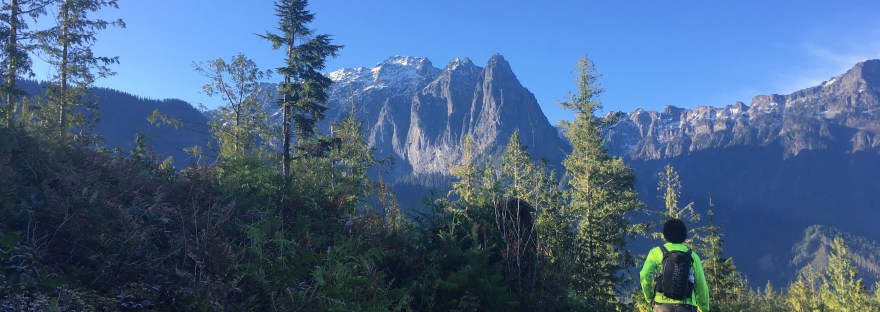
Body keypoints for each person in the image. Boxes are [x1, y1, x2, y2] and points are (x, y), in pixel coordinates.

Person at [639, 218, 710, 312]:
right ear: (684, 235)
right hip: (686, 306)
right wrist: (704, 308)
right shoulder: (693, 256)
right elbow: (701, 286)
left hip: (661, 305)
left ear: (665, 234)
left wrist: (649, 297)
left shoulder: (656, 253)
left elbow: (644, 275)